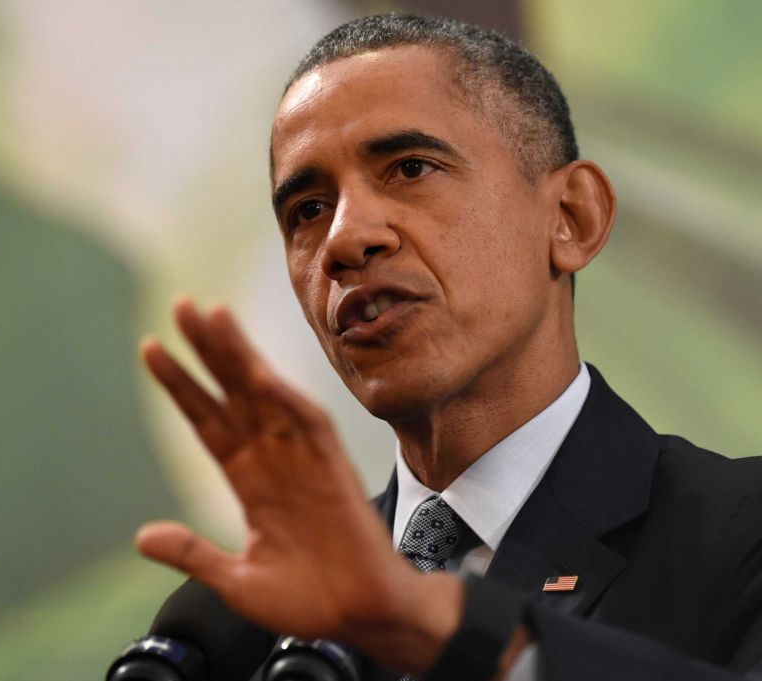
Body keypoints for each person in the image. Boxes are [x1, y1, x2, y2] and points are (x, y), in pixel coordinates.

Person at [135, 14, 762, 681]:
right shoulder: (253, 630)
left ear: (571, 216)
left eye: (410, 168)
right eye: (308, 211)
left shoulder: (740, 530)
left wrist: (443, 629)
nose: (346, 240)